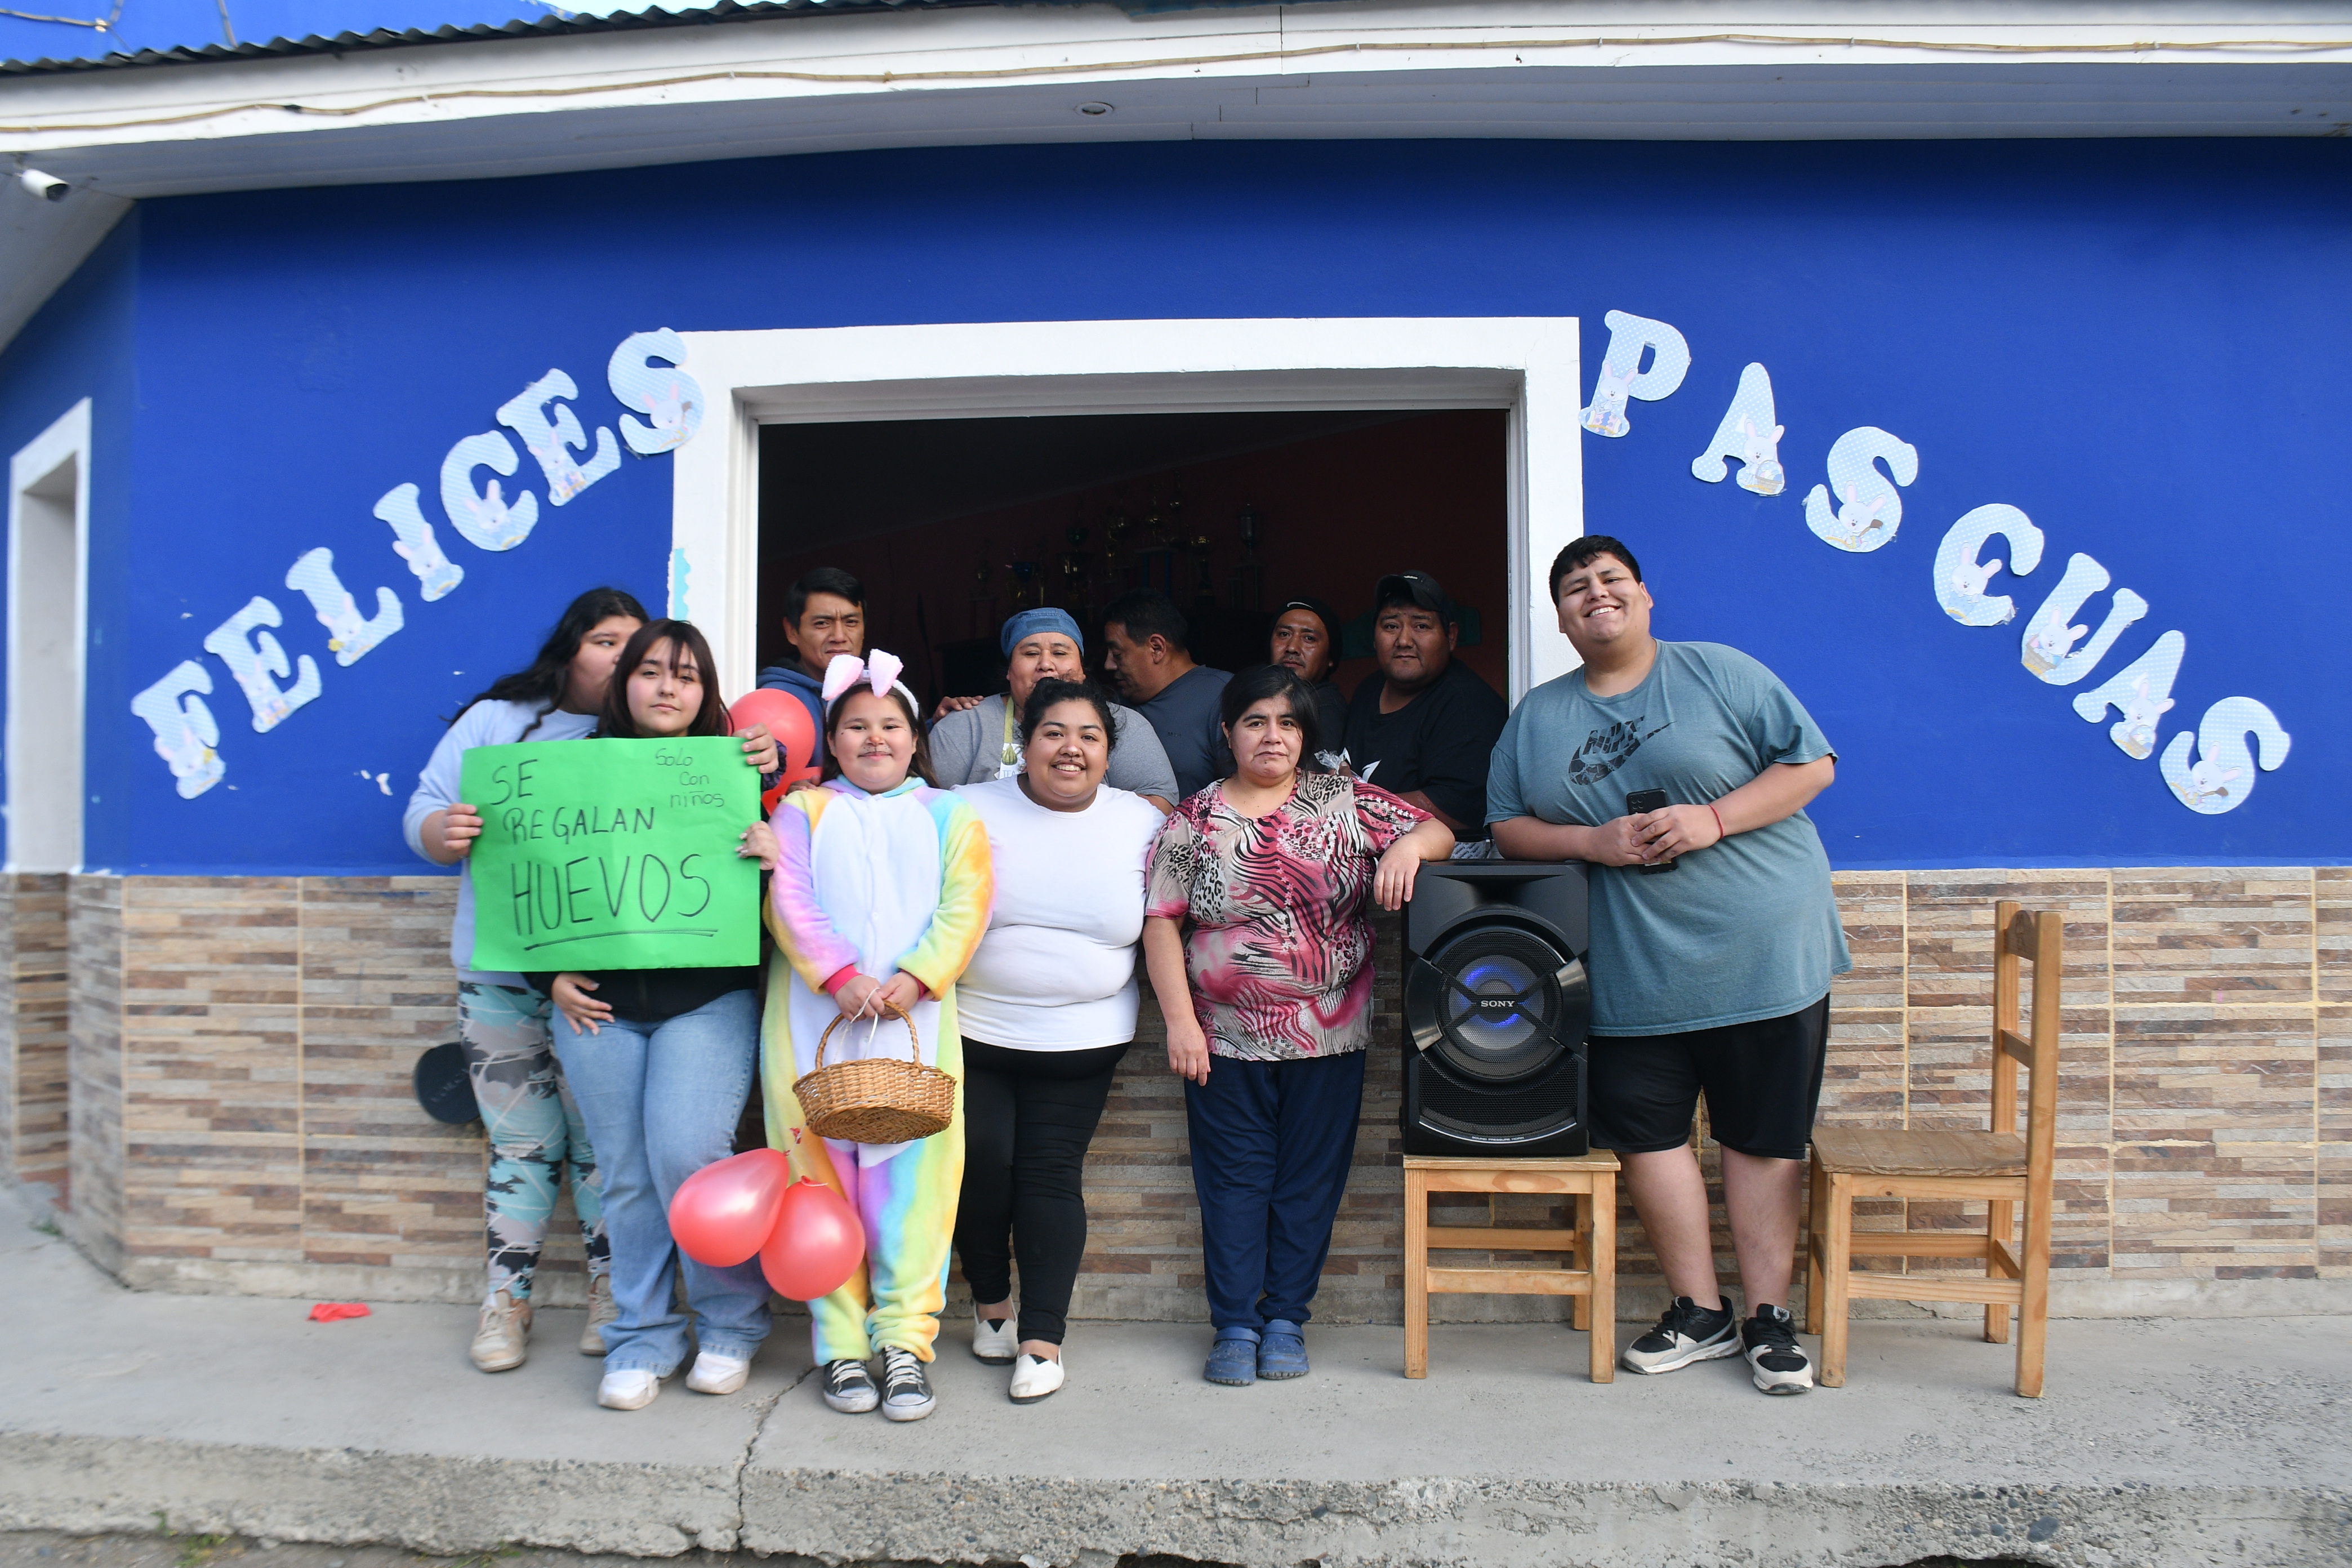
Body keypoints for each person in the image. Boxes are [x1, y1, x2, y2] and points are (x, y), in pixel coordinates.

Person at [1488, 535, 1849, 1397]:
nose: (1595, 594)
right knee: (1647, 1136)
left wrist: (1713, 821)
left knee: (1760, 1137)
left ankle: (1769, 1321)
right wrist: (1593, 842)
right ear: (1564, 618)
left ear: (1645, 596)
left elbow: (1814, 766)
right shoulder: (1538, 717)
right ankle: (1700, 1310)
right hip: (1633, 967)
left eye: (1611, 580)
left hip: (1762, 951)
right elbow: (1506, 827)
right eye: (1576, 588)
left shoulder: (1718, 672)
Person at [1141, 665, 1454, 1386]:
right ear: (1228, 734)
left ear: (1306, 735)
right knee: (1232, 1184)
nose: (1271, 736)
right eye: (1255, 721)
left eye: (1286, 723)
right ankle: (1234, 1326)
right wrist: (1180, 1024)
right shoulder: (1194, 819)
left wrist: (1405, 848)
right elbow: (1161, 922)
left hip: (1329, 1034)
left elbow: (1435, 831)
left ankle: (1285, 1319)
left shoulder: (1342, 799)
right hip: (1222, 1040)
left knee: (1309, 1181)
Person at [405, 589, 692, 1374]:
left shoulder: (646, 740)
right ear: (571, 650)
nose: (621, 657)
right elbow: (424, 809)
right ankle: (507, 1303)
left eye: (635, 647)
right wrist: (442, 831)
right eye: (605, 640)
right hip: (501, 975)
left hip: (601, 982)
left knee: (604, 1145)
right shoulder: (498, 722)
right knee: (521, 1142)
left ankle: (613, 1294)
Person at [538, 620, 782, 1411]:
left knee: (690, 1158)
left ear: (708, 693)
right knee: (627, 1175)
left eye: (686, 675)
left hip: (705, 999)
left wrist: (775, 835)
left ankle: (731, 1324)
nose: (667, 687)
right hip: (596, 1005)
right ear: (623, 683)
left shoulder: (739, 769)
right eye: (650, 671)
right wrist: (547, 975)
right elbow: (534, 876)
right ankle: (641, 1337)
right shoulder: (566, 771)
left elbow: (805, 886)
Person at [763, 649, 994, 1423]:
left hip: (918, 1027)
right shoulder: (801, 811)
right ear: (833, 738)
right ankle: (839, 1345)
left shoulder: (950, 815)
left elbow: (967, 905)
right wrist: (838, 974)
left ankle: (903, 1343)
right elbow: (787, 897)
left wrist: (918, 976)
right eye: (856, 726)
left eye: (889, 724)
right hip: (810, 1028)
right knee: (816, 1184)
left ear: (914, 734)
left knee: (914, 1190)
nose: (874, 739)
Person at [951, 678, 1165, 1403]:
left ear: (1108, 754)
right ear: (1025, 745)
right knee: (981, 1166)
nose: (1071, 749)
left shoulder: (1140, 821)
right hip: (973, 1028)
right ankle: (991, 1306)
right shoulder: (964, 810)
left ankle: (1042, 1342)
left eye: (1090, 737)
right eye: (1054, 733)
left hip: (1084, 1038)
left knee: (1047, 1175)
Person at [928, 608, 1179, 811]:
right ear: (1009, 670)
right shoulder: (966, 724)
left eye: (1060, 652)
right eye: (1031, 653)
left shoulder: (1124, 723)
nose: (1046, 664)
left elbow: (1160, 807)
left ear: (1082, 670)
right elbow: (925, 809)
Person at [1340, 571, 1508, 843]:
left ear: (1451, 637)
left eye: (1421, 626)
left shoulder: (1469, 706)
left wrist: (1347, 806)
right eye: (1391, 626)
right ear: (1374, 637)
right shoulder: (1368, 689)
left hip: (1433, 871)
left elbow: (1456, 810)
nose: (1404, 640)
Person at [1100, 590, 1231, 800]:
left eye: (1118, 654)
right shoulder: (1114, 705)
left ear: (1157, 648)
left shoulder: (1224, 696)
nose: (1108, 665)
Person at [758, 567, 867, 735]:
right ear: (792, 631)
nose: (839, 636)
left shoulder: (881, 690)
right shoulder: (775, 700)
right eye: (822, 623)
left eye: (851, 622)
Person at [1268, 596, 1348, 769]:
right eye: (1284, 634)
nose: (1292, 647)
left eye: (1309, 638)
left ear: (1330, 658)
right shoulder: (1262, 699)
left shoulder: (1326, 709)